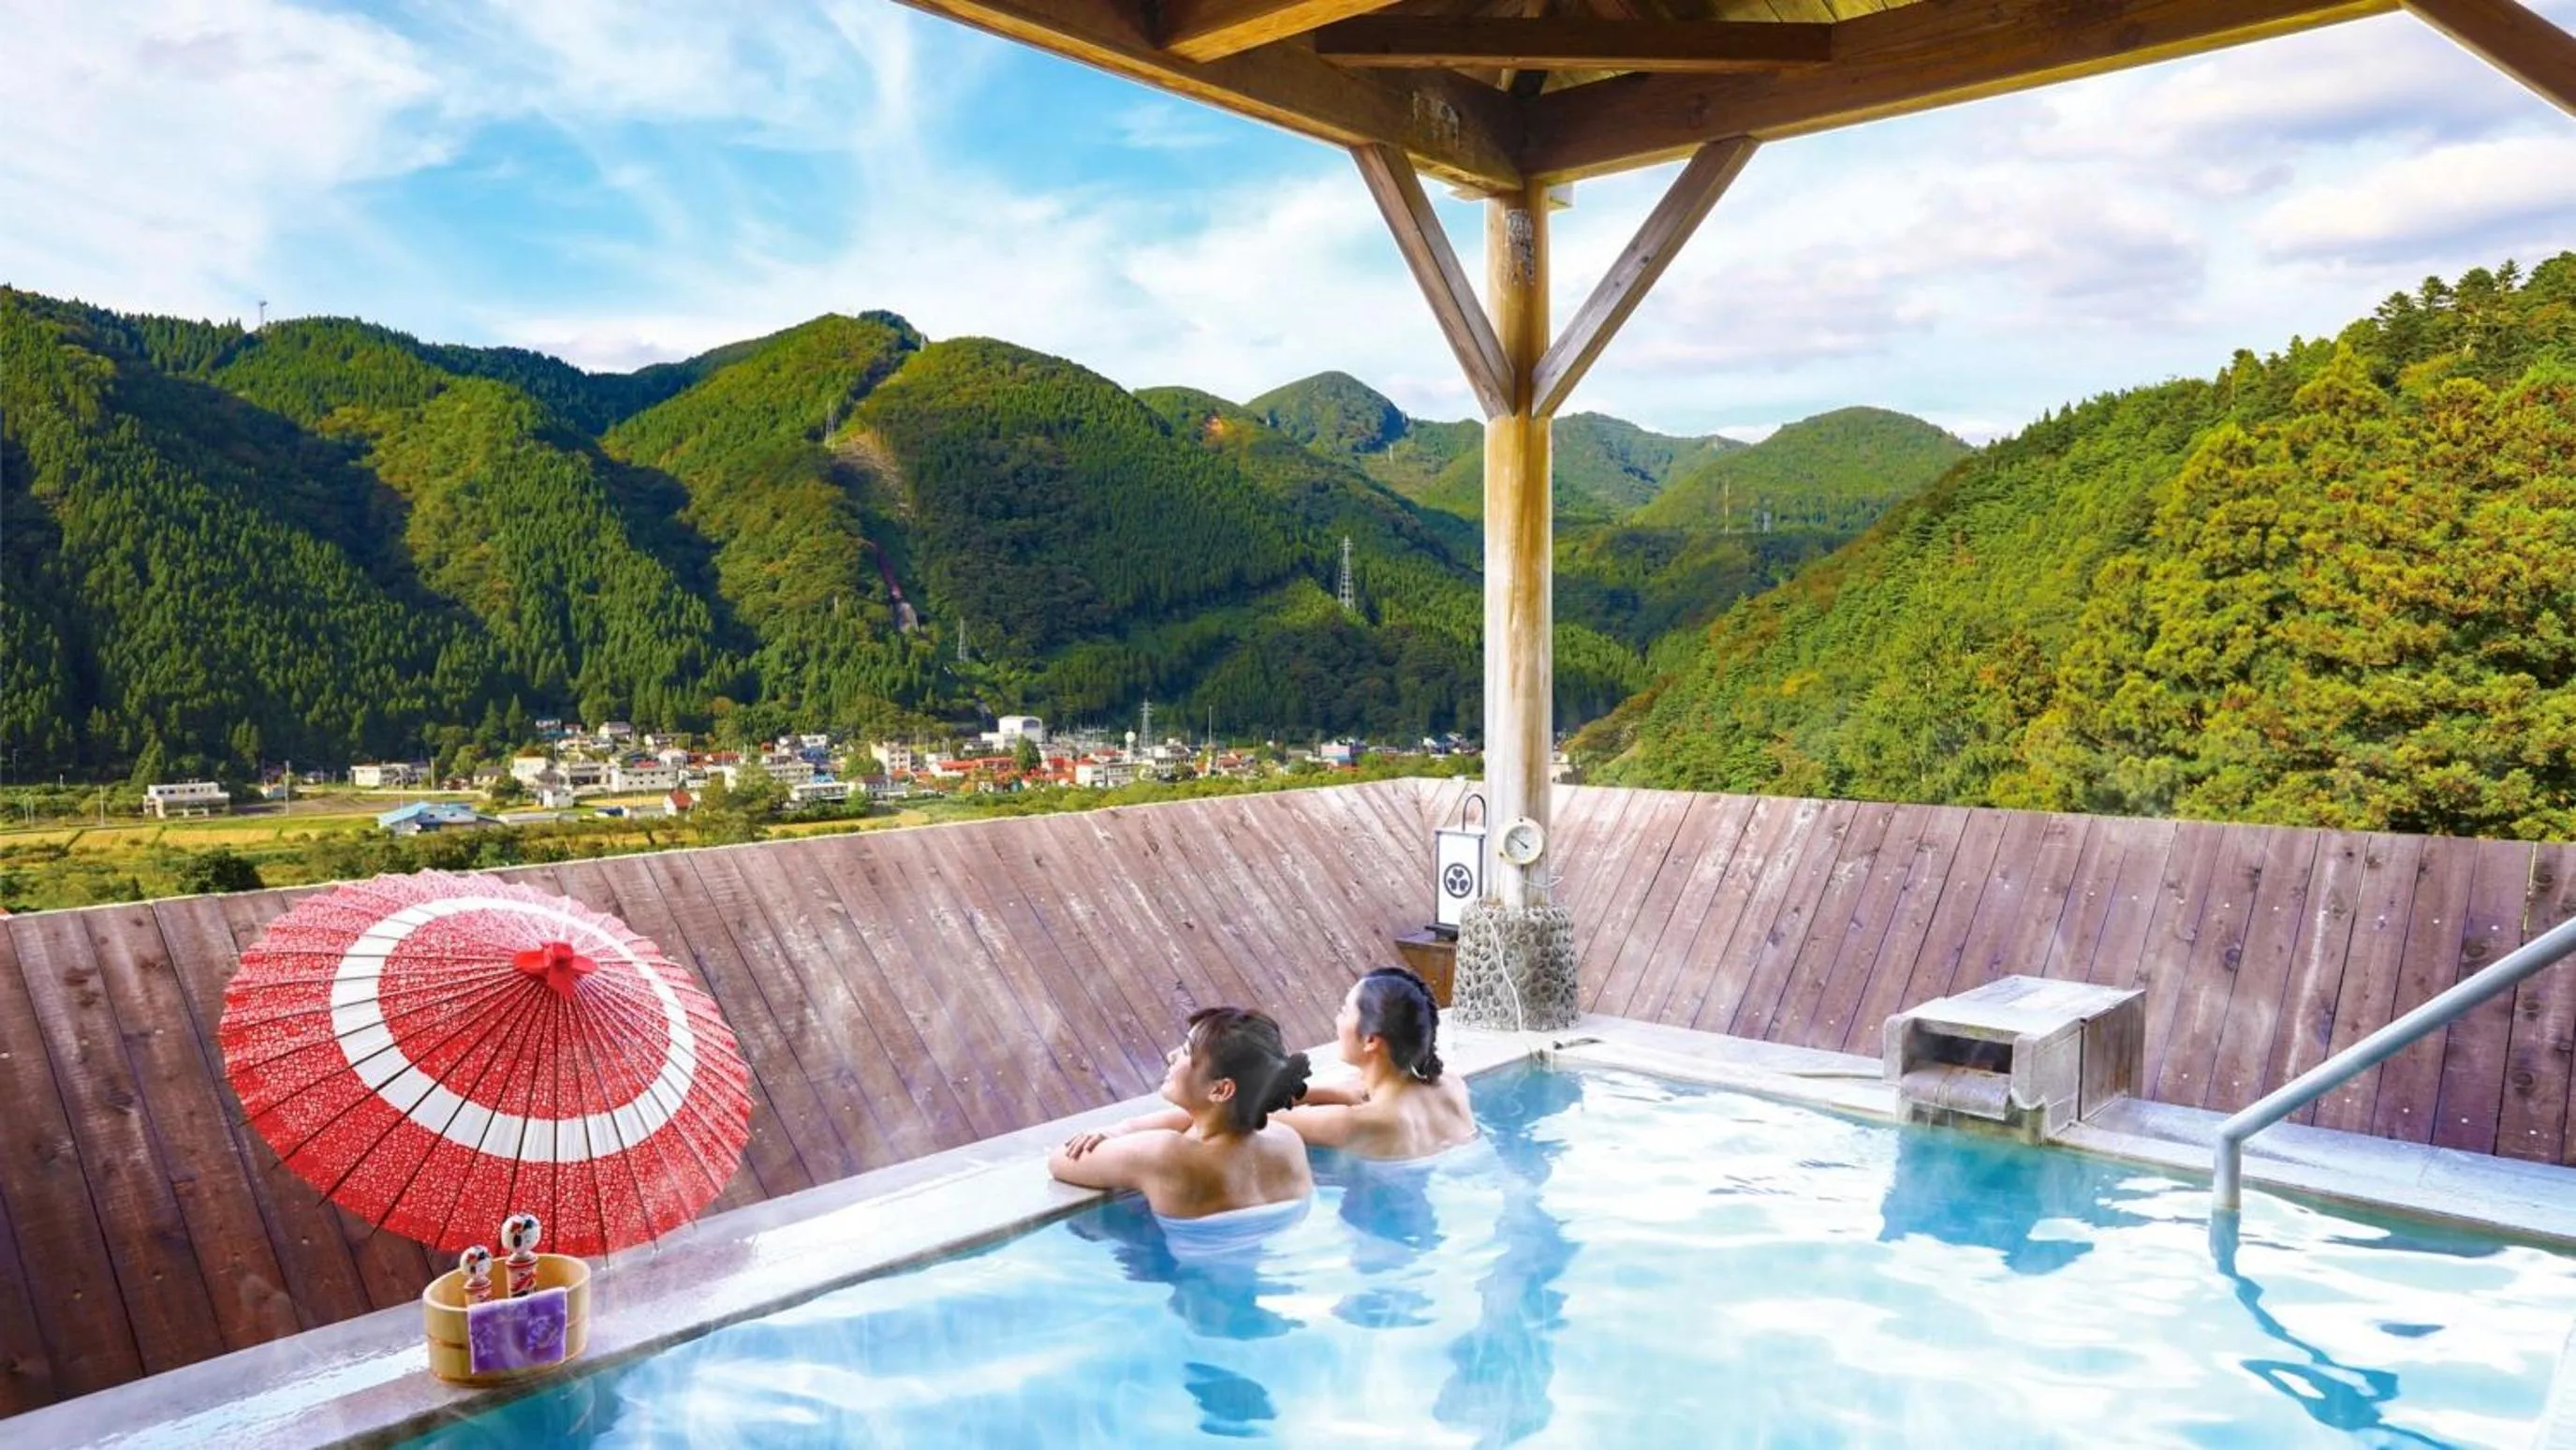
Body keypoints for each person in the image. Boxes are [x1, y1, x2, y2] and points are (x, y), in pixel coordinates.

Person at [1052, 1007, 1315, 1250]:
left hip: (1194, 1282)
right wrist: (1122, 1130)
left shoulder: (1164, 1155)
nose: (1171, 1055)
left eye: (1187, 1052)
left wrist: (1116, 1133)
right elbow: (1207, 1122)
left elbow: (1061, 1160)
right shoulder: (1287, 1141)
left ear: (1221, 1089)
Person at [1279, 966, 1477, 1161]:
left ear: (1371, 1040)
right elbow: (1358, 1093)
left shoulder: (1353, 1123)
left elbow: (1262, 1116)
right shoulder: (1452, 1086)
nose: (1337, 1020)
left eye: (1345, 1012)